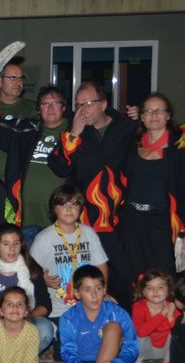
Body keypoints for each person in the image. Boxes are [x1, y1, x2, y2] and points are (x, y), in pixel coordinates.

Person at [48, 82, 136, 305]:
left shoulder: (126, 128)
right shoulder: (74, 134)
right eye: (78, 105)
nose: (82, 110)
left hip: (119, 222)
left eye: (87, 103)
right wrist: (74, 134)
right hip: (85, 222)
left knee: (123, 281)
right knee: (86, 283)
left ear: (104, 104)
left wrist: (141, 117)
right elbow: (59, 167)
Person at [119, 93, 185, 289]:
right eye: (149, 111)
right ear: (141, 117)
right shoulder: (131, 146)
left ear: (168, 115)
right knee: (136, 280)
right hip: (132, 222)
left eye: (159, 110)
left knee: (164, 281)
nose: (154, 115)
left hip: (162, 224)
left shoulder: (180, 150)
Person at [45, 265, 139, 363]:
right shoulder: (68, 318)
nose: (94, 295)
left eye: (98, 289)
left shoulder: (118, 313)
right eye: (87, 290)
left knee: (113, 327)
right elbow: (68, 351)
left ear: (105, 290)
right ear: (77, 293)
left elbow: (132, 346)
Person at [0, 85, 70, 244]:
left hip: (62, 219)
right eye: (44, 104)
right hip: (28, 219)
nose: (50, 108)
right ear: (39, 110)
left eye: (55, 103)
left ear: (63, 107)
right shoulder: (27, 131)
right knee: (28, 260)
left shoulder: (74, 133)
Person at [30, 184, 108, 321]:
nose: (69, 208)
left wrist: (102, 293)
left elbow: (101, 266)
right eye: (62, 204)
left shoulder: (88, 233)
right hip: (55, 311)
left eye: (74, 204)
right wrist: (41, 280)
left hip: (88, 306)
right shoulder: (43, 239)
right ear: (54, 209)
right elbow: (28, 274)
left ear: (80, 208)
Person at [0, 223, 54, 354]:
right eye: (6, 244)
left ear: (21, 245)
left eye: (16, 243)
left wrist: (25, 316)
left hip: (25, 323)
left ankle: (21, 361)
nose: (12, 249)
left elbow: (45, 305)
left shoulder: (32, 269)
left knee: (45, 328)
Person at [132, 269, 180, 363]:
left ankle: (169, 362)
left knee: (177, 333)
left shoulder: (173, 307)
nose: (155, 291)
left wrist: (170, 315)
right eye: (150, 288)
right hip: (147, 351)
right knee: (138, 335)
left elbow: (177, 332)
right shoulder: (139, 306)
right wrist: (162, 314)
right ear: (144, 292)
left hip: (167, 351)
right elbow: (140, 332)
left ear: (168, 290)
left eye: (160, 287)